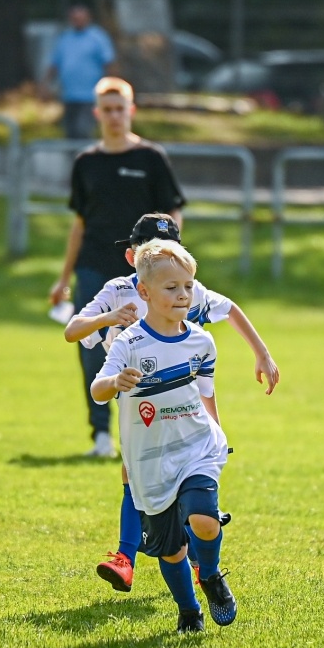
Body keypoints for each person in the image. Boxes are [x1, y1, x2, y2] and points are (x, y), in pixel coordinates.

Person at [64, 212, 280, 593]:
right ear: (133, 258)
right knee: (134, 474)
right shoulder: (118, 290)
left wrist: (261, 353)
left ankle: (185, 560)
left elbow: (229, 309)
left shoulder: (183, 287)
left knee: (184, 475)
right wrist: (110, 318)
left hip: (183, 399)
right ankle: (128, 557)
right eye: (147, 250)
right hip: (135, 397)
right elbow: (72, 331)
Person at [91, 239, 237, 633]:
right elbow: (98, 387)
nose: (183, 294)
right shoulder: (130, 342)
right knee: (170, 550)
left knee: (205, 520)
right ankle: (189, 611)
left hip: (195, 448)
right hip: (148, 460)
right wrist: (115, 383)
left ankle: (209, 574)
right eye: (171, 287)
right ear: (144, 293)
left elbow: (205, 394)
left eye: (188, 286)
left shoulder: (202, 342)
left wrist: (218, 431)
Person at [51, 78, 186, 458]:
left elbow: (172, 215)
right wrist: (63, 280)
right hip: (94, 267)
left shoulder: (151, 158)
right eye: (106, 109)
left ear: (131, 110)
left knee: (152, 348)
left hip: (145, 277)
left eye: (119, 107)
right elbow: (79, 223)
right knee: (92, 352)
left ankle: (150, 431)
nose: (113, 115)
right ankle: (101, 436)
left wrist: (169, 266)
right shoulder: (87, 163)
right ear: (97, 113)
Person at [46, 5, 117, 140]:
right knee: (70, 133)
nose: (77, 21)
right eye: (74, 18)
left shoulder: (98, 37)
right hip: (69, 95)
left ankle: (87, 159)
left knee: (83, 131)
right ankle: (74, 160)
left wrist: (111, 88)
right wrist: (45, 85)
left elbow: (109, 63)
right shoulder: (65, 38)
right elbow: (55, 64)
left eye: (80, 18)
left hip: (90, 96)